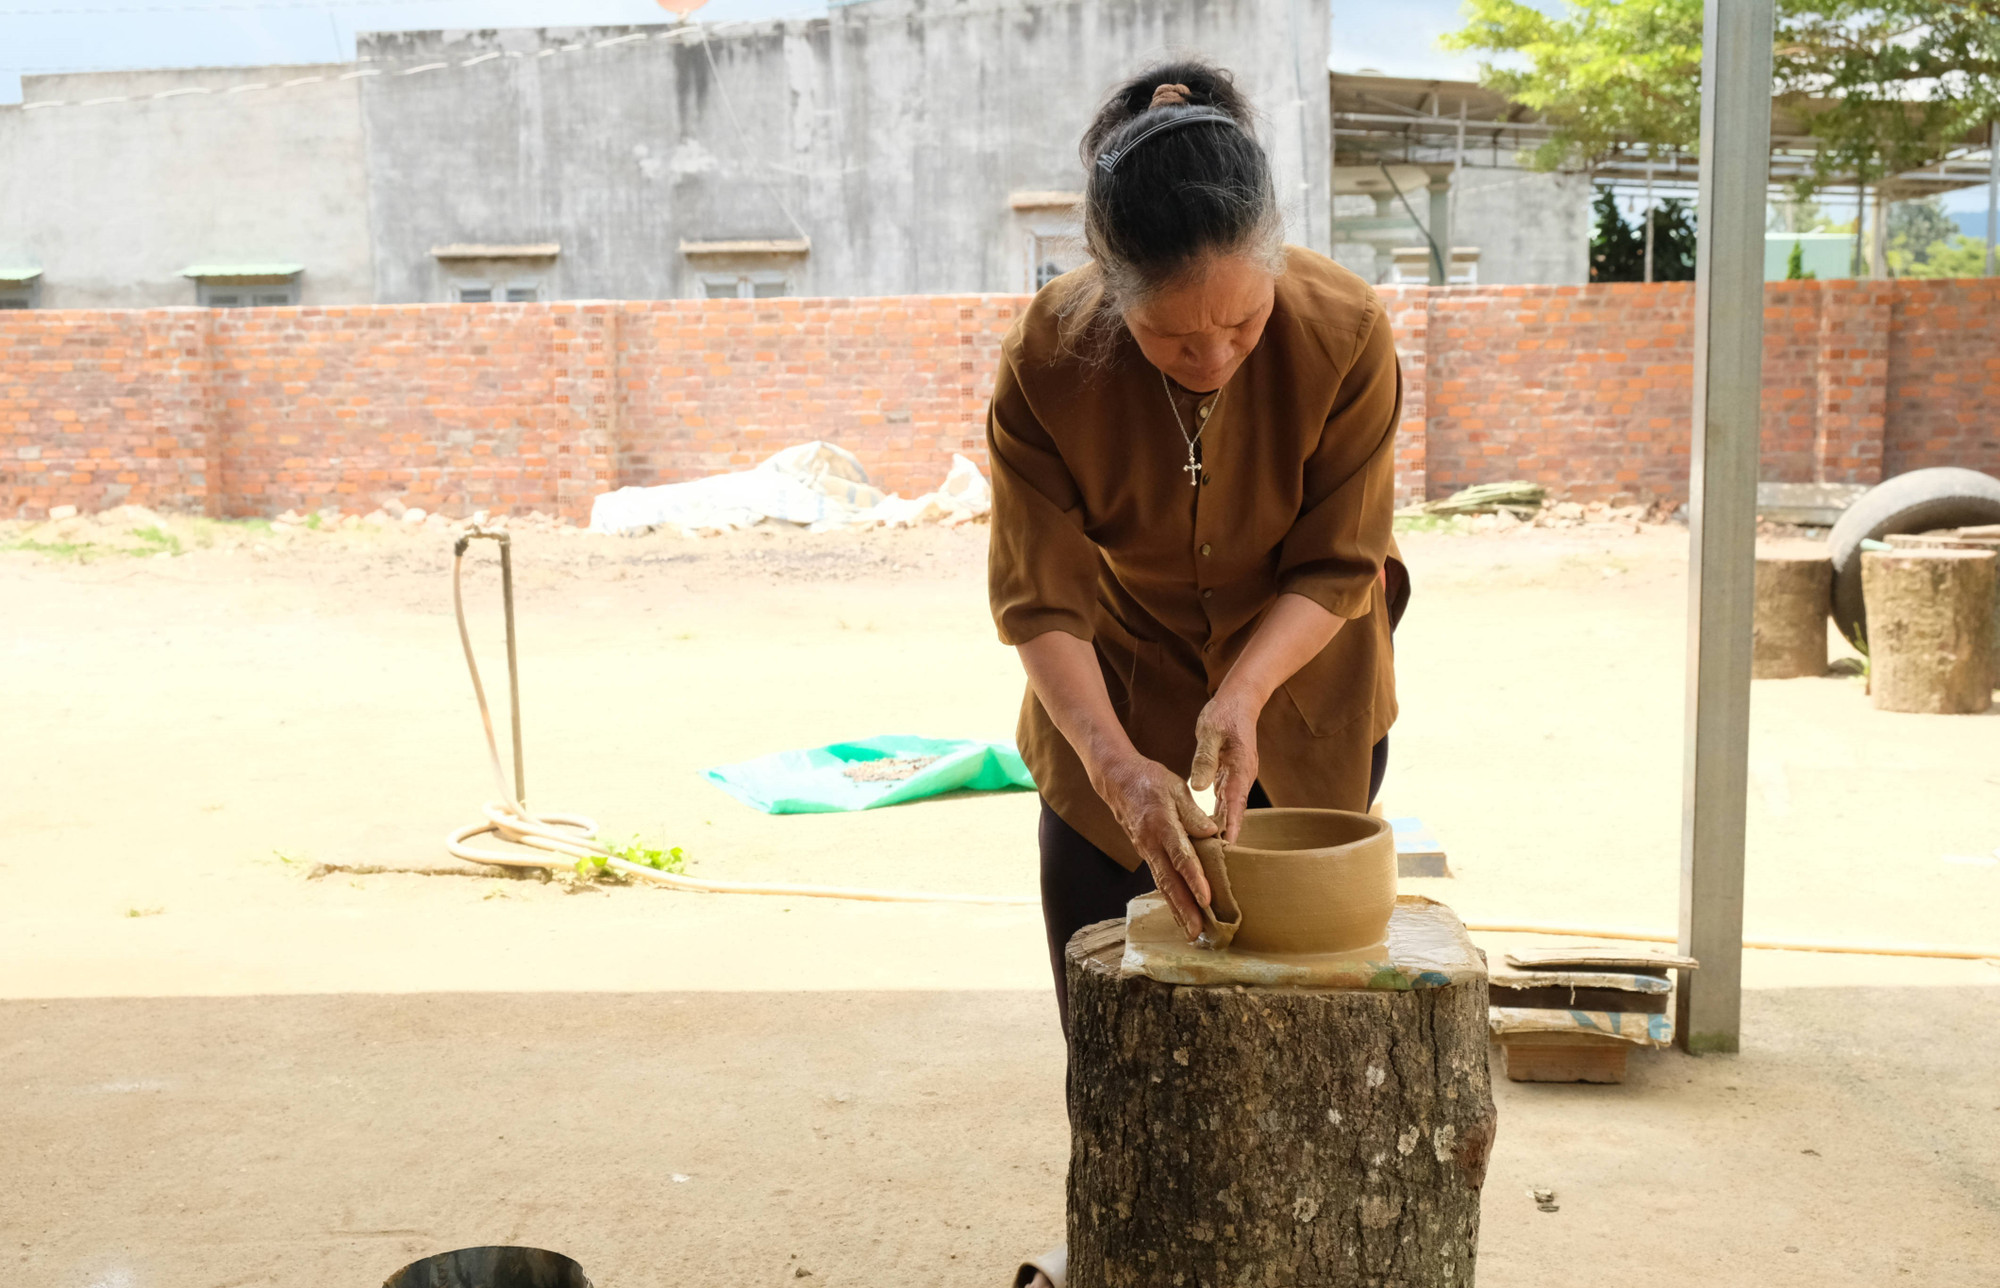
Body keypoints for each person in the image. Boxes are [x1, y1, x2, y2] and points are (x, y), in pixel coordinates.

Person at [988, 62, 1408, 1287]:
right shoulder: (1048, 356)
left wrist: (1242, 693)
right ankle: (1118, 1241)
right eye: (1174, 336)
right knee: (1114, 1013)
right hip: (1109, 689)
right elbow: (1039, 597)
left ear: (1274, 260)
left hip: (1305, 691)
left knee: (1300, 1011)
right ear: (1108, 291)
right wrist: (1115, 764)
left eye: (1242, 322)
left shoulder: (1343, 331)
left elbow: (1339, 560)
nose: (1214, 353)